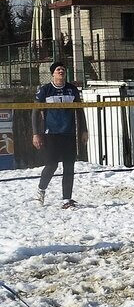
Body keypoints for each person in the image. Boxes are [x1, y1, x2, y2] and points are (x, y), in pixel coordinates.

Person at [32, 61, 89, 208]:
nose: (61, 71)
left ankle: (66, 200)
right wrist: (35, 134)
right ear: (53, 73)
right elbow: (35, 112)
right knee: (51, 165)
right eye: (58, 70)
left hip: (69, 133)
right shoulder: (45, 90)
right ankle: (41, 190)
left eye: (63, 69)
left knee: (69, 166)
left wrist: (84, 130)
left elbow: (80, 111)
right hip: (51, 134)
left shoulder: (71, 89)